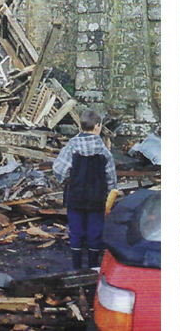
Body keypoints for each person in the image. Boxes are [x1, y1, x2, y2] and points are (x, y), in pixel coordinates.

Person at [53, 109, 117, 269]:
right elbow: (111, 178)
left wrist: (66, 179)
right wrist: (111, 193)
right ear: (97, 126)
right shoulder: (104, 151)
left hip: (75, 197)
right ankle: (94, 267)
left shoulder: (72, 147)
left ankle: (76, 267)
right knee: (95, 232)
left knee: (76, 231)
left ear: (81, 127)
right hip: (96, 199)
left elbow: (59, 170)